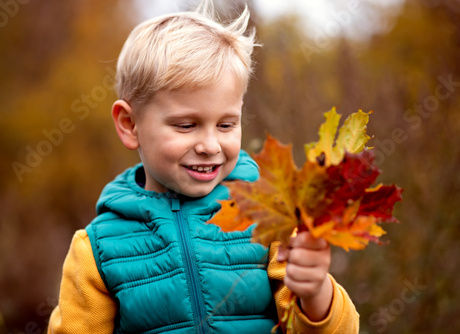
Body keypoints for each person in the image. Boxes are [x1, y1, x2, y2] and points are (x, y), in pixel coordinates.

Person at [48, 1, 359, 333]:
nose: (210, 146)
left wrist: (316, 294)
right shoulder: (97, 250)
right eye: (186, 125)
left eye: (226, 125)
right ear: (129, 124)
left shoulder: (270, 218)